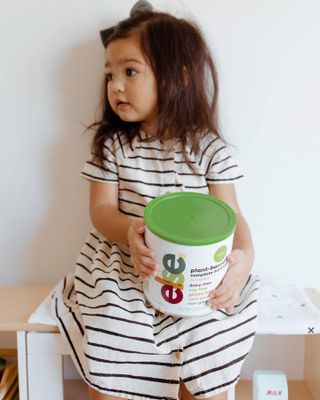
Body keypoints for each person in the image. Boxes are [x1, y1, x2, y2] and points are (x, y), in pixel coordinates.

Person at [51, 7, 259, 400]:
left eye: (130, 72)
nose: (115, 86)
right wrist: (129, 231)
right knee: (113, 328)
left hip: (195, 267)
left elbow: (232, 216)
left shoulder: (208, 148)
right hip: (128, 259)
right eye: (110, 75)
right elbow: (101, 212)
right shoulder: (112, 146)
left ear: (178, 76)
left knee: (211, 330)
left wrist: (244, 258)